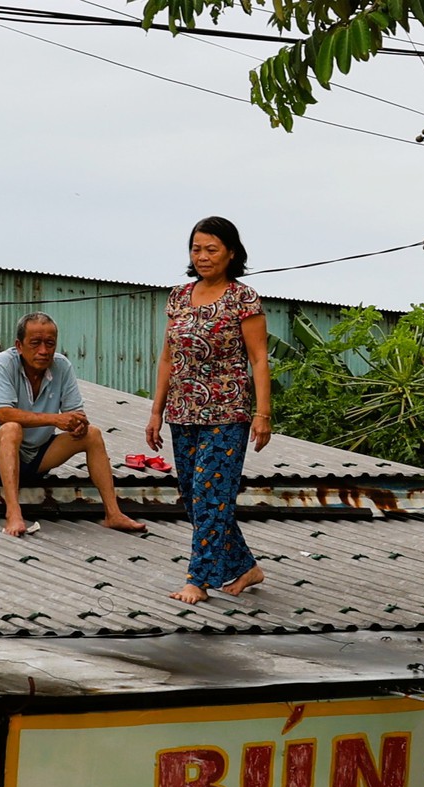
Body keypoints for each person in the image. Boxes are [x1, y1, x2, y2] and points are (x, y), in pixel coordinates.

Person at [146, 216, 272, 603]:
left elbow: (259, 359)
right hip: (182, 413)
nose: (202, 256)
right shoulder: (178, 297)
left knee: (211, 492)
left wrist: (262, 414)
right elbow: (168, 358)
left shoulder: (243, 297)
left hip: (227, 413)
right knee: (196, 497)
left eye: (211, 249)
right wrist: (156, 412)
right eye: (196, 249)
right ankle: (246, 566)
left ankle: (196, 580)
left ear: (231, 253)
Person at [0, 313, 145, 538]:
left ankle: (113, 513)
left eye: (49, 344)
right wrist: (56, 420)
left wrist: (78, 425)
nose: (43, 350)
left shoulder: (62, 366)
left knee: (92, 434)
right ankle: (13, 513)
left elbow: (76, 413)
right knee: (13, 428)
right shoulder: (5, 362)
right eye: (35, 343)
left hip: (33, 456)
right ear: (19, 346)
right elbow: (3, 415)